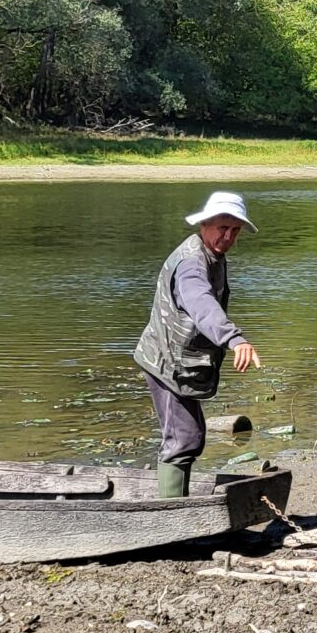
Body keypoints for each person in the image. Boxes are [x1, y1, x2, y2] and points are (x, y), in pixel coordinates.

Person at [133, 191, 263, 498]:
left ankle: (175, 505)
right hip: (165, 362)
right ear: (204, 224)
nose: (228, 236)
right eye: (222, 228)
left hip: (178, 362)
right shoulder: (192, 263)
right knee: (183, 439)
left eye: (234, 230)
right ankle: (171, 517)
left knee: (191, 436)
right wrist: (234, 338)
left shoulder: (213, 256)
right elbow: (200, 302)